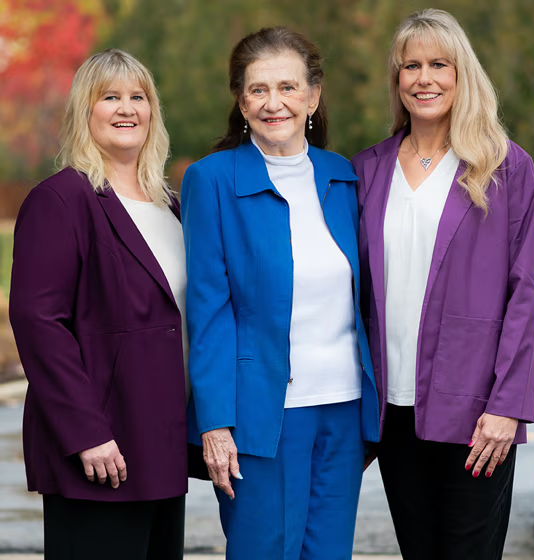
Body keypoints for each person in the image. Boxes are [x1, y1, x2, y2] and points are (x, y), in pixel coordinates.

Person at [182, 26, 380, 560]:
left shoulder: (344, 176)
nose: (275, 103)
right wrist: (215, 423)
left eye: (289, 88)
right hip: (261, 414)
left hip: (343, 408)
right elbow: (209, 310)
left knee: (328, 552)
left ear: (313, 96)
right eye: (258, 89)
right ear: (241, 100)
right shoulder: (212, 180)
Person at [353, 9, 534, 560]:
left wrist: (508, 407)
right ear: (397, 79)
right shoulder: (368, 168)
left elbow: (524, 293)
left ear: (463, 75)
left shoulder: (505, 168)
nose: (424, 78)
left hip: (476, 412)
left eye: (440, 64)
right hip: (394, 408)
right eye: (411, 66)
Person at [9, 49, 189, 560]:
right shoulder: (62, 200)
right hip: (100, 449)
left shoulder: (169, 205)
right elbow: (38, 321)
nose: (126, 108)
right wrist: (86, 433)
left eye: (138, 97)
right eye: (109, 97)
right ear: (84, 112)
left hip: (162, 443)